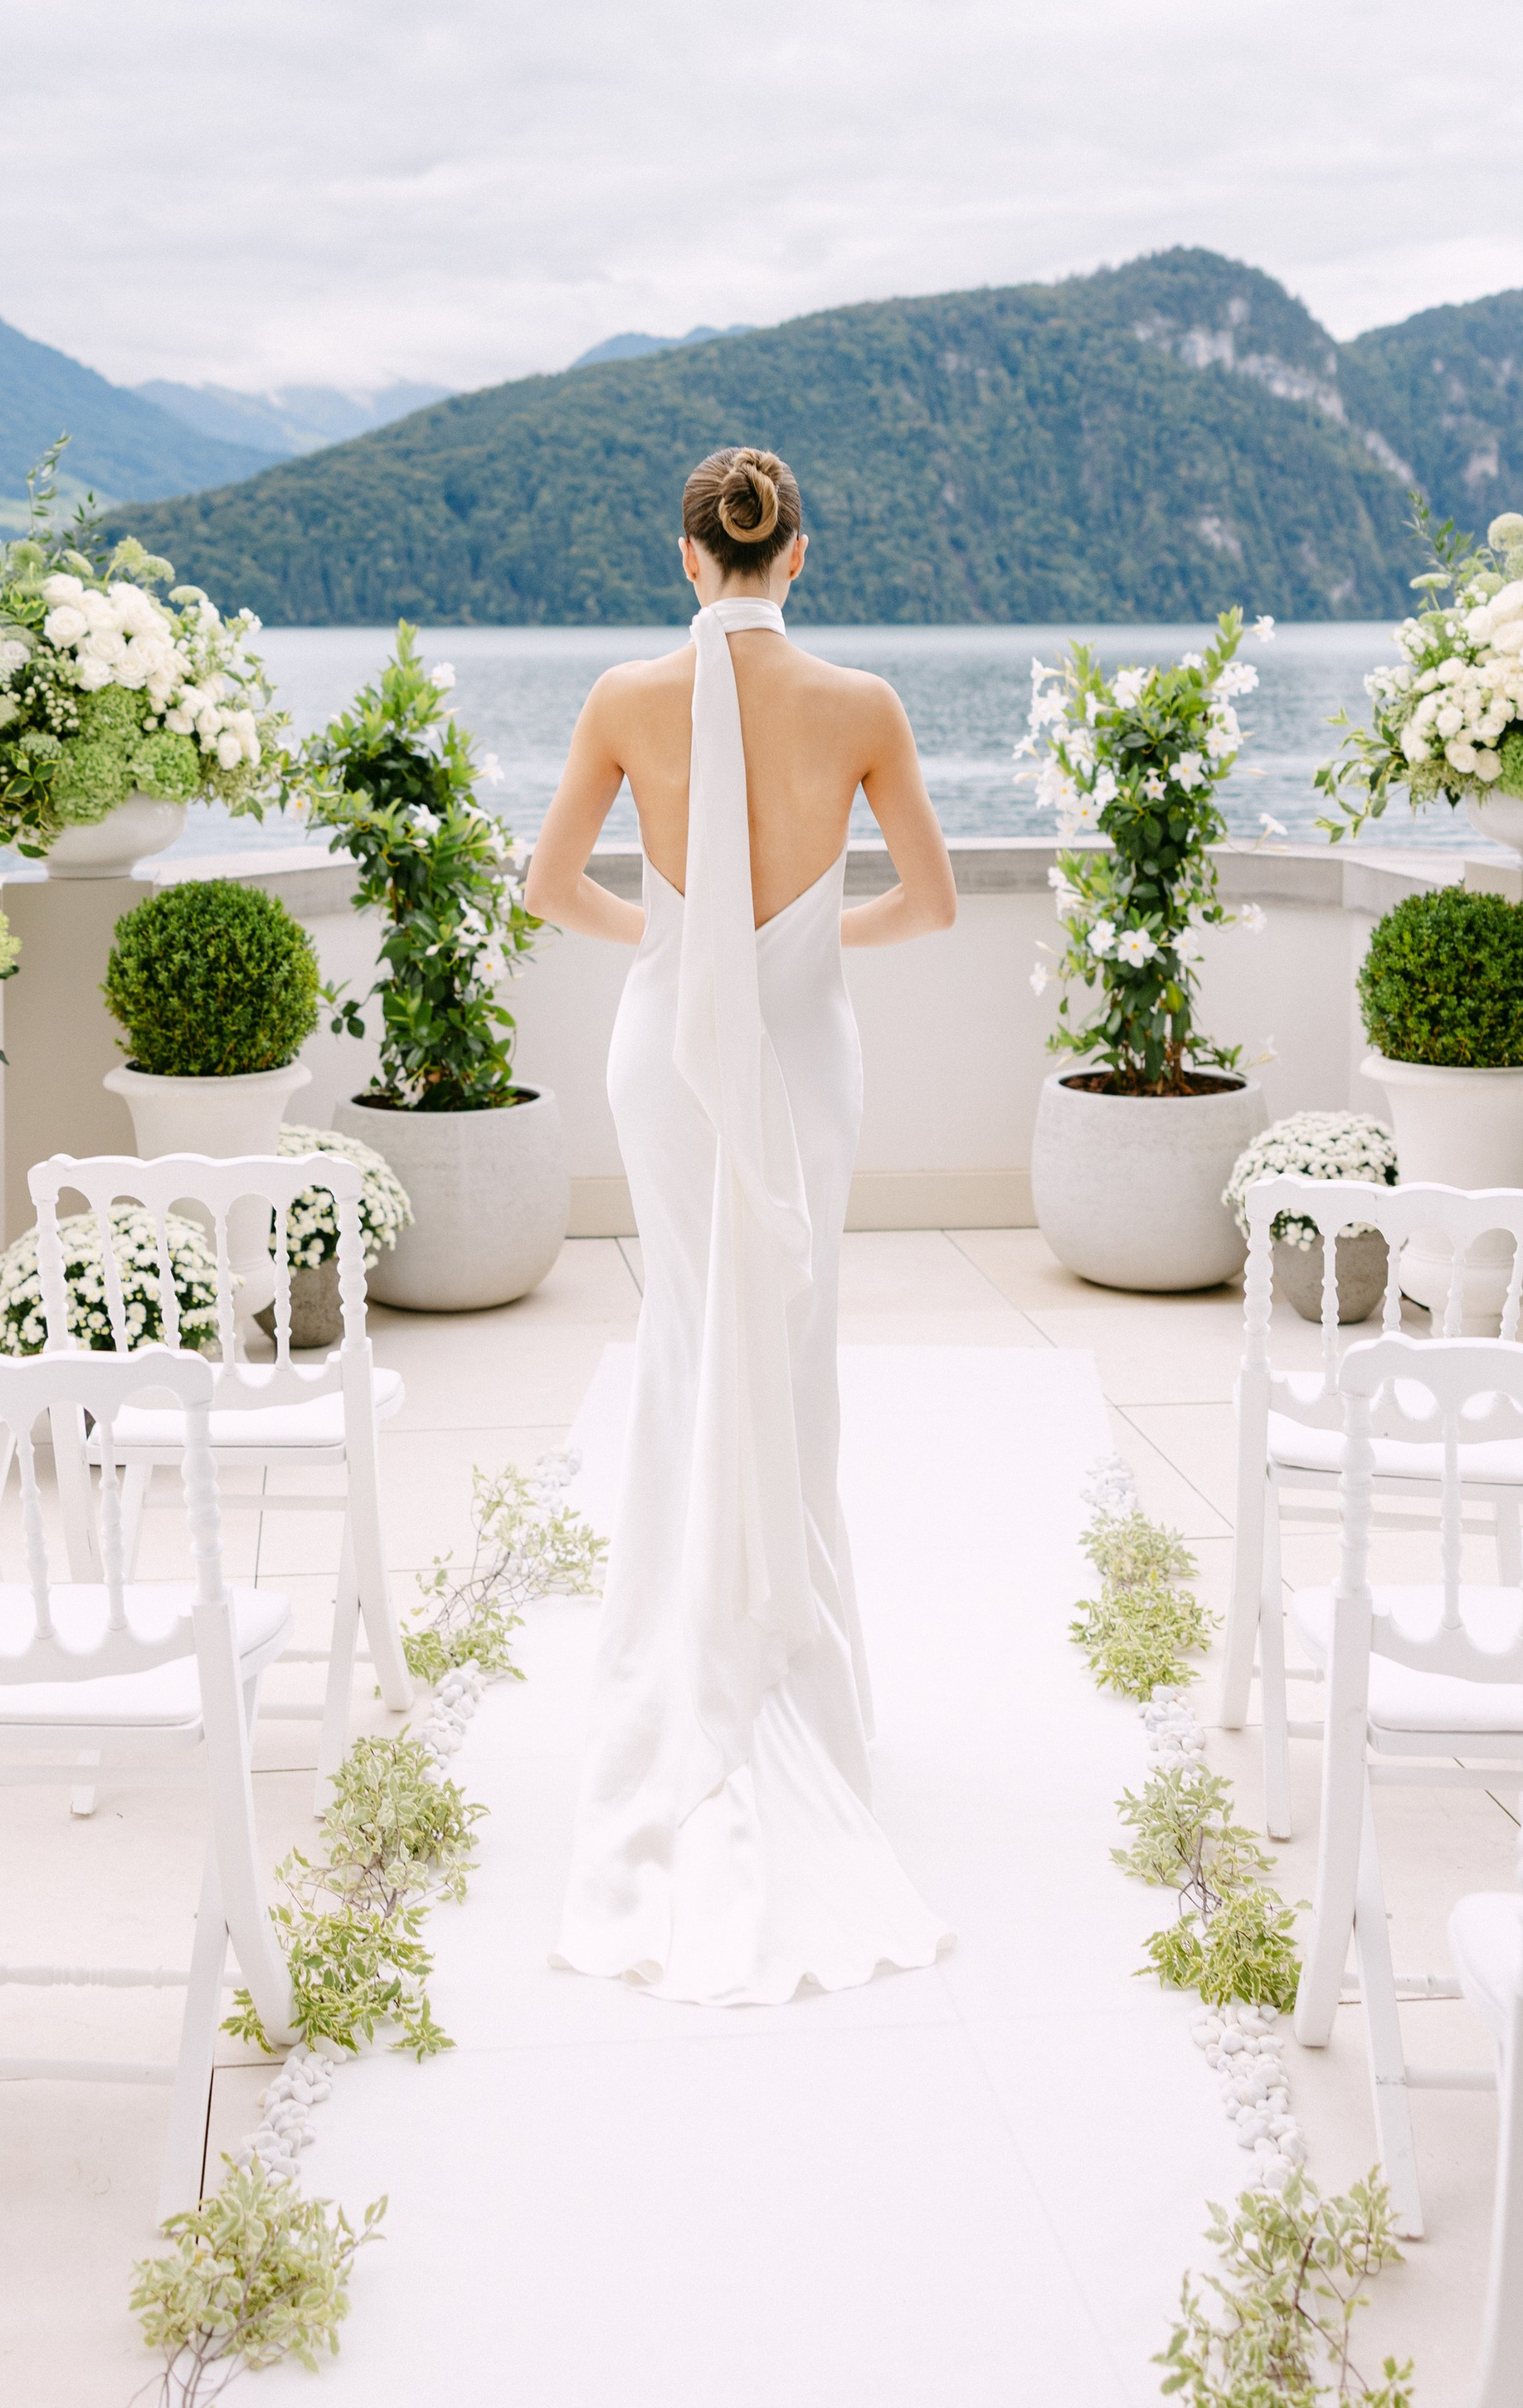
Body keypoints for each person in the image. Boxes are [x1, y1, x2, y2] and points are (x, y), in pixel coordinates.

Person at [525, 444, 956, 2005]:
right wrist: (787, 948)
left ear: (689, 558)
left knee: (687, 1342)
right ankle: (793, 1668)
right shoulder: (865, 707)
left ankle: (684, 1656)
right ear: (798, 555)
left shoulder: (624, 698)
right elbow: (931, 901)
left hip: (667, 1053)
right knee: (792, 1344)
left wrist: (689, 946)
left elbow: (551, 883)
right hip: (808, 1050)